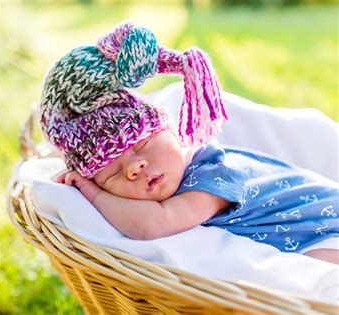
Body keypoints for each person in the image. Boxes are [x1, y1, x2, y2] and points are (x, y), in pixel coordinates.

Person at [39, 22, 339, 264]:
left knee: (314, 276)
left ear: (172, 133)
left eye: (141, 145)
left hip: (327, 224)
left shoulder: (209, 174)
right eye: (112, 174)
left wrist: (91, 192)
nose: (135, 166)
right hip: (312, 232)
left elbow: (152, 224)